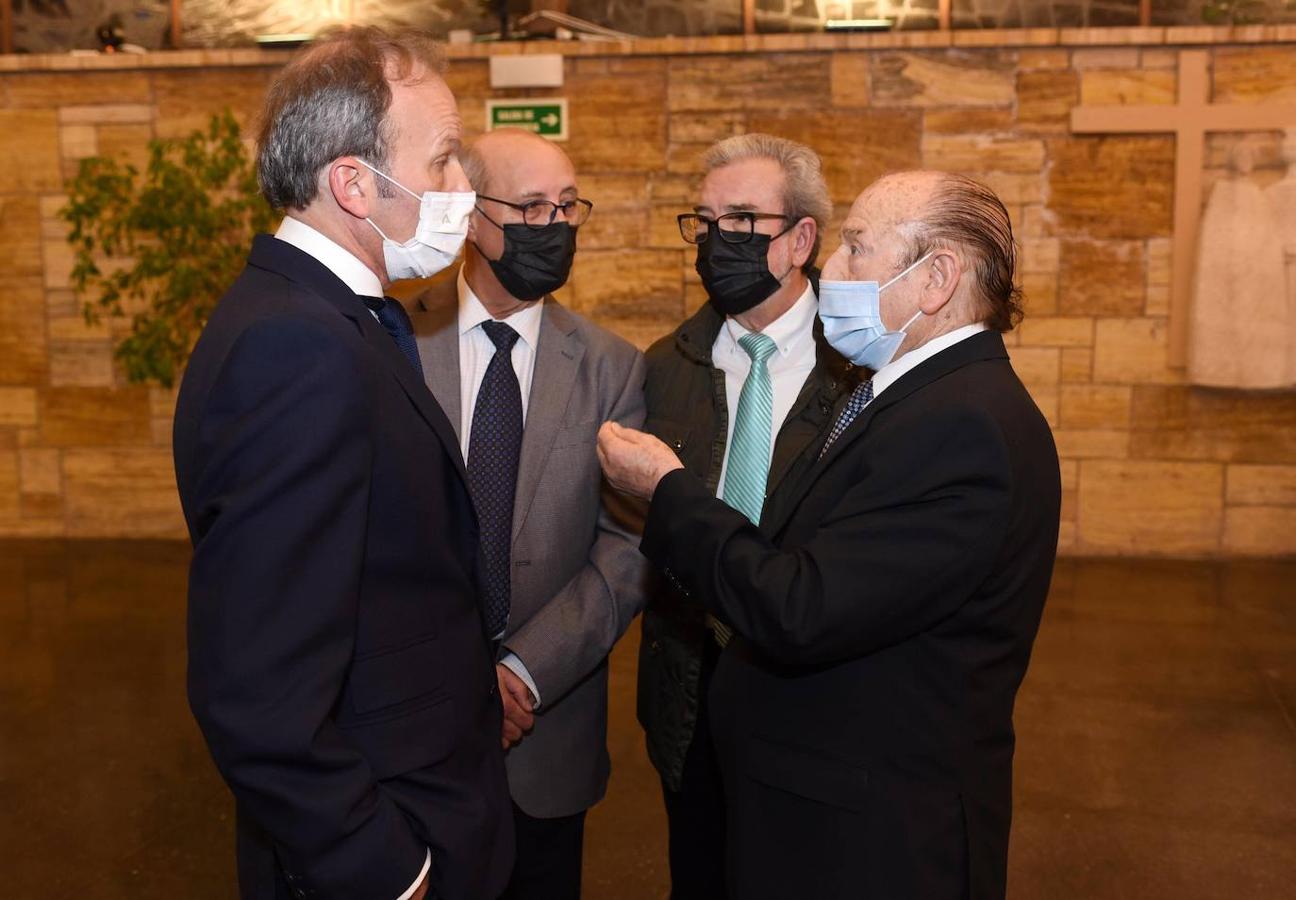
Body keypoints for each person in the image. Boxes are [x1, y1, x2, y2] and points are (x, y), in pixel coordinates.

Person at [598, 170, 1061, 900]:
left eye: (855, 248)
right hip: (818, 807)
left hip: (870, 838)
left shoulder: (961, 423)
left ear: (936, 278)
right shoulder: (909, 393)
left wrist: (667, 491)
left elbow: (800, 607)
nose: (831, 270)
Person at [173, 28, 511, 900]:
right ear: (353, 183)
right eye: (442, 163)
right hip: (381, 844)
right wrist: (385, 866)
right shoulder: (297, 346)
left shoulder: (329, 316)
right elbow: (256, 688)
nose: (464, 191)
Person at [404, 128, 648, 900]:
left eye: (570, 206)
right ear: (472, 216)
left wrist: (518, 674)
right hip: (413, 729)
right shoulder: (393, 336)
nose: (558, 226)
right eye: (534, 206)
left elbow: (626, 546)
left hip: (549, 735)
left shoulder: (613, 367)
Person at [635, 133, 852, 899]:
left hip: (814, 696)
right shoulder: (666, 367)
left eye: (742, 219)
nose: (716, 239)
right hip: (691, 687)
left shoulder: (861, 369)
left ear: (800, 240)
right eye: (705, 220)